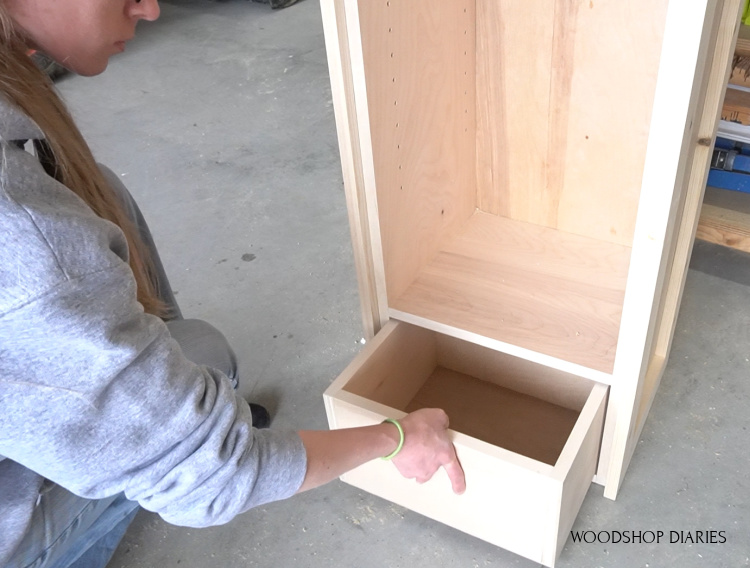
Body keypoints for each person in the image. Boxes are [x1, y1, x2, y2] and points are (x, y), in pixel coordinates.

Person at [0, 1, 466, 567]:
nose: (150, 8)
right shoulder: (30, 241)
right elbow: (221, 479)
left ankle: (158, 406)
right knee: (209, 356)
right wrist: (395, 437)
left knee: (99, 189)